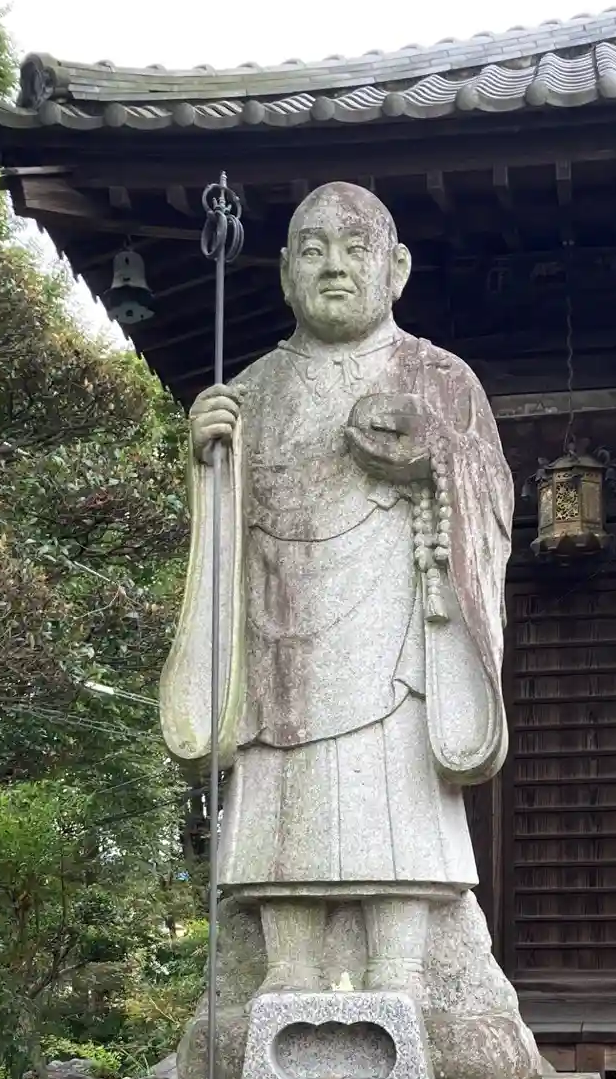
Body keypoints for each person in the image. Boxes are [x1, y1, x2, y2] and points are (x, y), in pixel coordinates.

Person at [160, 181, 512, 1000]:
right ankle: (284, 966)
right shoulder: (251, 389)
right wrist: (210, 462)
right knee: (280, 788)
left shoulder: (440, 376)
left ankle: (404, 967)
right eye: (314, 250)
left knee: (397, 792)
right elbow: (222, 540)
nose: (335, 267)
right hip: (279, 624)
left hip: (396, 629)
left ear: (397, 268)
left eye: (356, 250)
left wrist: (437, 454)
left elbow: (492, 492)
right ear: (286, 272)